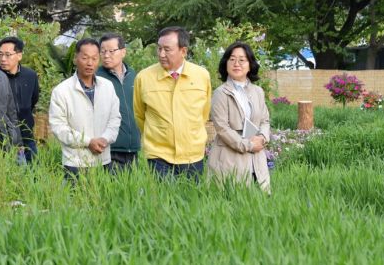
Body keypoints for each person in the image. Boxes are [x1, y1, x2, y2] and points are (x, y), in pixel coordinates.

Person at [133, 26, 212, 180]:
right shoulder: (144, 78)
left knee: (193, 202)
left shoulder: (202, 76)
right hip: (158, 156)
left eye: (167, 49)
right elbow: (140, 115)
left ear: (183, 51)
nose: (161, 54)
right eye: (159, 48)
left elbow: (204, 113)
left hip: (193, 155)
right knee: (163, 202)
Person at [49, 38, 121, 178]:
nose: (90, 63)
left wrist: (105, 139)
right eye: (85, 58)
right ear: (76, 58)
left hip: (103, 160)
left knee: (103, 198)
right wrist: (88, 142)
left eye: (94, 58)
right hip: (75, 163)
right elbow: (59, 127)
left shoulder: (107, 87)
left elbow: (115, 118)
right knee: (75, 199)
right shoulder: (62, 91)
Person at [208, 42, 271, 193]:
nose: (237, 64)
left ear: (250, 65)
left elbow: (265, 120)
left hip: (256, 158)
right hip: (230, 158)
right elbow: (222, 128)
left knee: (259, 205)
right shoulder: (220, 93)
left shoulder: (258, 91)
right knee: (233, 205)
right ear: (226, 63)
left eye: (242, 60)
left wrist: (262, 138)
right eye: (232, 59)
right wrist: (247, 145)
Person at [96, 33, 140, 170]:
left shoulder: (135, 76)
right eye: (102, 51)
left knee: (131, 189)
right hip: (108, 148)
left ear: (123, 52)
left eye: (111, 51)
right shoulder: (96, 78)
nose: (106, 55)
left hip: (132, 148)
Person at [0, 36, 40, 164]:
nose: (3, 59)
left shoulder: (30, 75)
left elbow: (34, 99)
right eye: (0, 54)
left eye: (8, 55)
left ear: (19, 55)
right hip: (3, 135)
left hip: (26, 133)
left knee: (33, 173)